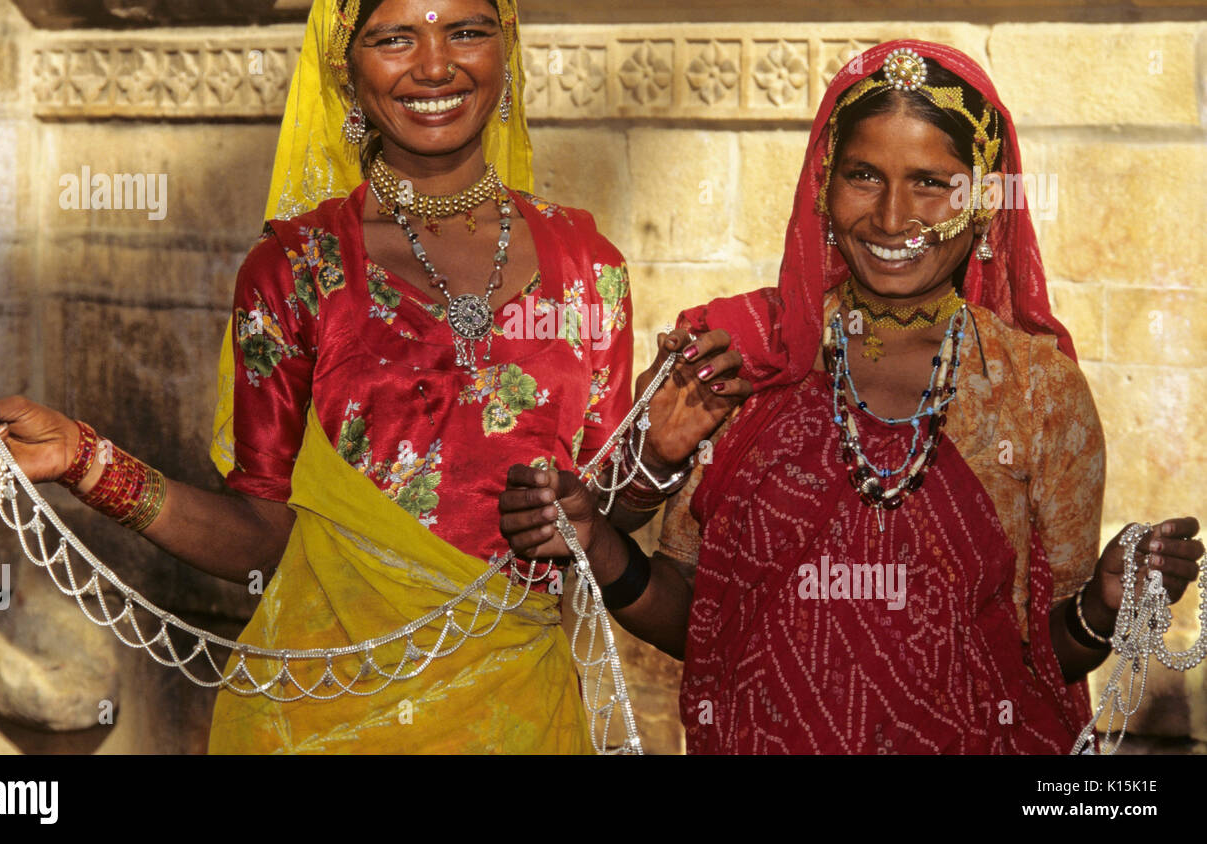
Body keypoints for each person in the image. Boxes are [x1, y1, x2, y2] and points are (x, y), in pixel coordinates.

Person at [0, 0, 742, 754]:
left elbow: (589, 527)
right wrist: (85, 462)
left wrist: (659, 450)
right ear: (345, 68)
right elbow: (261, 537)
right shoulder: (296, 271)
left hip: (521, 713)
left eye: (466, 31)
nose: (436, 66)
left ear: (506, 51)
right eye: (395, 40)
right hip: (322, 720)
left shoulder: (588, 265)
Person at [499, 39, 1203, 753]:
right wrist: (601, 531)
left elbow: (1041, 657)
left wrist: (1106, 604)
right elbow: (700, 621)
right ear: (822, 187)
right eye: (864, 176)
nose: (893, 217)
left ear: (986, 201)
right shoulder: (746, 358)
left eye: (931, 182)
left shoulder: (1035, 390)